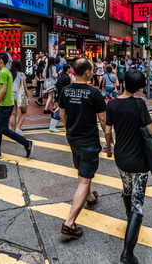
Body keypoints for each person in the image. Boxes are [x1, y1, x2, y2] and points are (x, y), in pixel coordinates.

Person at [104, 69, 152, 264]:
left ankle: (128, 217)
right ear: (139, 88)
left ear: (123, 83)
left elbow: (108, 131)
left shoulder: (113, 104)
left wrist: (109, 146)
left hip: (121, 157)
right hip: (139, 160)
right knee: (138, 203)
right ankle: (127, 253)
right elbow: (150, 129)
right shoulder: (140, 104)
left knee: (127, 189)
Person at [58, 58, 107, 240]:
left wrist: (69, 129)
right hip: (88, 141)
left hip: (73, 139)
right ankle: (69, 224)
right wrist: (109, 141)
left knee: (82, 172)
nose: (93, 72)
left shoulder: (66, 90)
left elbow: (62, 113)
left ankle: (90, 199)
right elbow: (103, 120)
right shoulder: (94, 93)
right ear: (87, 72)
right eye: (92, 70)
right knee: (84, 180)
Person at [0, 52, 34, 160]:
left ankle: (26, 143)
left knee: (3, 129)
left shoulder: (3, 72)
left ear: (1, 61)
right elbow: (5, 89)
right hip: (6, 103)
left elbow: (3, 90)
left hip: (5, 105)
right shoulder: (7, 72)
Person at [9, 59, 29, 136]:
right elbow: (25, 87)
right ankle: (18, 128)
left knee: (13, 114)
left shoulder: (10, 74)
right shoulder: (21, 74)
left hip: (11, 94)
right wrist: (27, 97)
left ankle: (13, 131)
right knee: (24, 112)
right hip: (20, 95)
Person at [51, 64, 72, 133]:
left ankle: (68, 126)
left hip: (61, 96)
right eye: (70, 68)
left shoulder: (62, 76)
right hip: (65, 97)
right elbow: (68, 88)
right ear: (68, 69)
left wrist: (47, 90)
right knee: (62, 112)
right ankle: (52, 126)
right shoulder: (67, 77)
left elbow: (55, 85)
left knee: (64, 111)